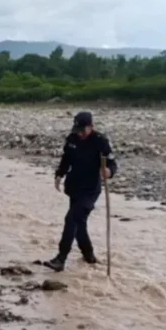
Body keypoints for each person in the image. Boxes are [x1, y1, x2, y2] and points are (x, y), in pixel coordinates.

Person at [43, 111, 118, 272]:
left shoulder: (100, 141)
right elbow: (66, 159)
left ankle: (61, 258)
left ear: (91, 127)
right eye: (77, 130)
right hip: (74, 187)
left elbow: (112, 163)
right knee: (79, 224)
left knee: (71, 219)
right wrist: (59, 175)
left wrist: (109, 172)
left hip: (90, 190)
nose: (80, 134)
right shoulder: (71, 139)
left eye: (83, 130)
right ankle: (89, 256)